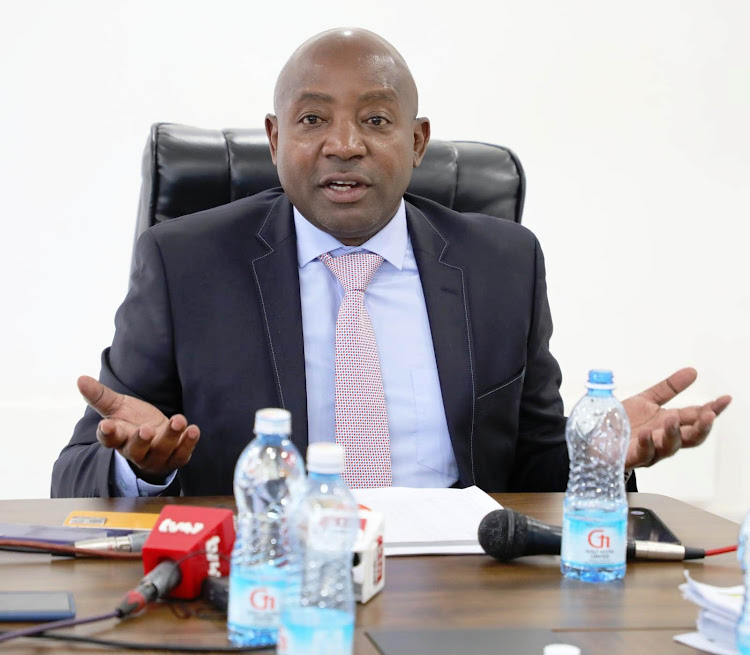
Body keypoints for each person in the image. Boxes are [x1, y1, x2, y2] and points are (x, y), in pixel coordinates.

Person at [51, 28, 731, 498]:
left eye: (375, 121)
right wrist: (140, 468)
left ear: (417, 140)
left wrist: (598, 454)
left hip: (458, 594)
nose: (344, 144)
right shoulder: (185, 265)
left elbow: (533, 472)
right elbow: (75, 474)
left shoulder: (503, 265)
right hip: (266, 583)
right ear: (274, 136)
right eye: (313, 120)